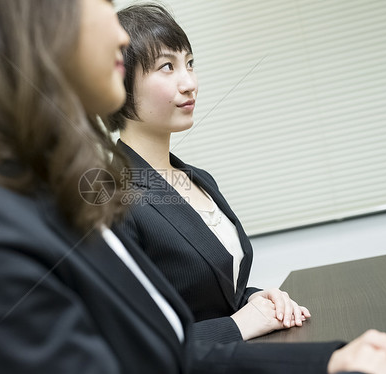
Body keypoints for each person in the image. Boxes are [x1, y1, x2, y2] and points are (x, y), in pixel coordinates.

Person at [0, 0, 386, 373]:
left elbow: (165, 355)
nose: (118, 36)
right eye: (101, 6)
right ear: (29, 24)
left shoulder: (55, 184)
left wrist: (331, 364)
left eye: (189, 63)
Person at [109, 2, 309, 343]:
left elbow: (209, 297)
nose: (189, 83)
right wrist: (237, 325)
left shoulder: (199, 178)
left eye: (189, 63)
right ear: (119, 83)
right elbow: (131, 342)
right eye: (166, 67)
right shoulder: (110, 194)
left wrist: (255, 298)